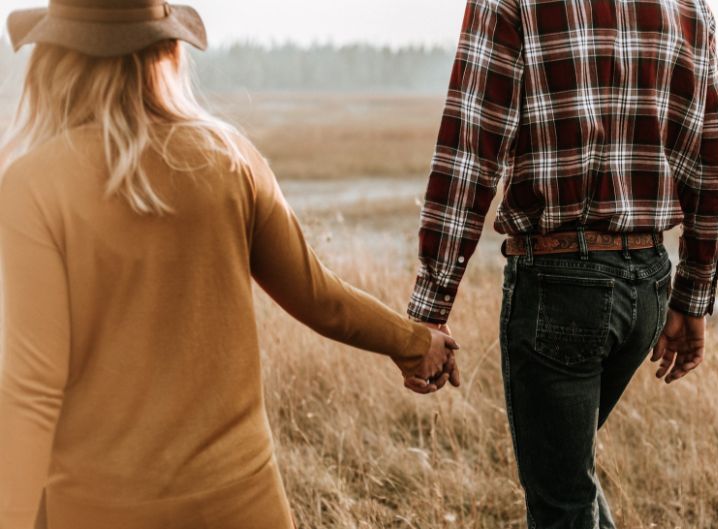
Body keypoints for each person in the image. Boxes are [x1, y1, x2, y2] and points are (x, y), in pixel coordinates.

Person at [0, 1, 460, 528]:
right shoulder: (230, 158)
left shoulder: (33, 184)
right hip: (245, 505)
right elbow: (320, 298)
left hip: (101, 510)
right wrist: (416, 343)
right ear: (167, 52)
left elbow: (31, 391)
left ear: (55, 57)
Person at [408, 0, 718, 527]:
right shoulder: (689, 8)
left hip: (561, 286)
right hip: (647, 283)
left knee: (561, 500)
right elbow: (708, 159)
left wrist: (431, 307)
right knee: (568, 481)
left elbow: (470, 150)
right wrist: (692, 297)